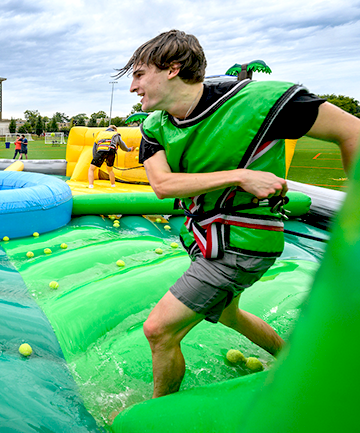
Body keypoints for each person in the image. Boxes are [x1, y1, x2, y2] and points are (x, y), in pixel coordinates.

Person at [118, 29, 360, 399]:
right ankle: (291, 362)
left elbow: (351, 131)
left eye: (138, 74)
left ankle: (156, 416)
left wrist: (353, 227)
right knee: (230, 315)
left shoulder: (260, 102)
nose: (133, 87)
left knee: (159, 331)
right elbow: (163, 186)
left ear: (172, 68)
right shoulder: (154, 128)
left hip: (244, 241)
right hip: (204, 240)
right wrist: (241, 175)